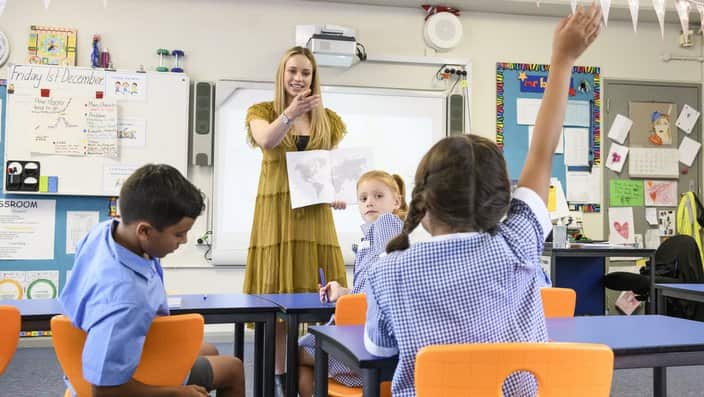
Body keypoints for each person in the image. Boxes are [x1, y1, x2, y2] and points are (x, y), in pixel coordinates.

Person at [363, 5, 602, 397]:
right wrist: (563, 60)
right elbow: (542, 152)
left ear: (423, 202)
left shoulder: (387, 272)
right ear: (501, 199)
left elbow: (378, 349)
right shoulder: (517, 244)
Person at [59, 164, 244, 397]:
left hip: (90, 353)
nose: (185, 240)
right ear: (144, 231)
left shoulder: (104, 232)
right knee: (234, 369)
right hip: (123, 379)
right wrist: (175, 393)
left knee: (210, 349)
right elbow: (104, 390)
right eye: (179, 234)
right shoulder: (126, 300)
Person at [244, 46, 349, 388]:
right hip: (276, 215)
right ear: (282, 73)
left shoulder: (328, 120)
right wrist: (289, 114)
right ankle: (280, 381)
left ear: (313, 77)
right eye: (293, 71)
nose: (299, 78)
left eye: (306, 73)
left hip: (315, 215)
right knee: (276, 306)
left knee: (321, 300)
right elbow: (266, 140)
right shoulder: (262, 111)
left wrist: (335, 194)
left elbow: (330, 167)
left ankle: (316, 376)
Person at [297, 170, 407, 396]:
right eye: (363, 198)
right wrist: (342, 291)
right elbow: (369, 287)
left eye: (378, 196)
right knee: (299, 359)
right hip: (363, 336)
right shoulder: (368, 237)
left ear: (396, 201)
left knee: (292, 355)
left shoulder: (387, 222)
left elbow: (386, 272)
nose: (370, 203)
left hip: (366, 343)